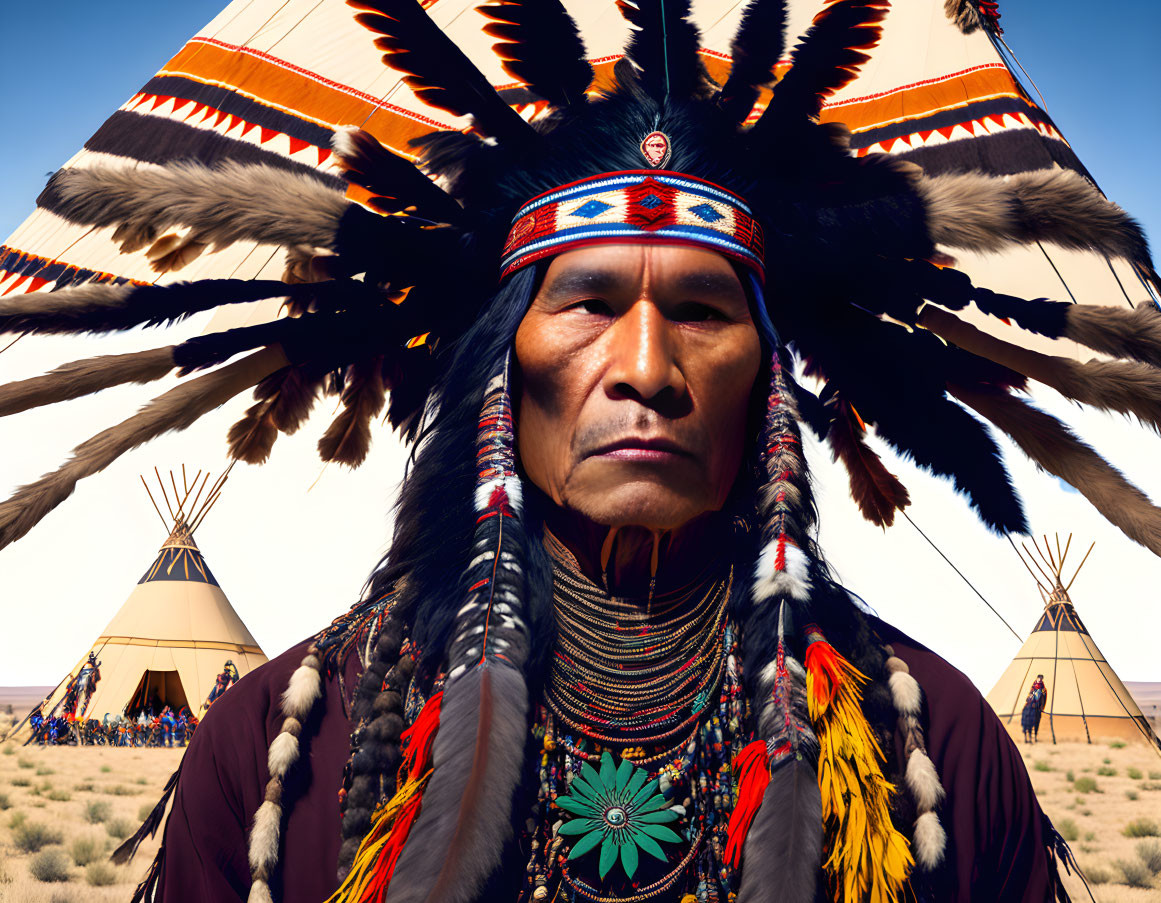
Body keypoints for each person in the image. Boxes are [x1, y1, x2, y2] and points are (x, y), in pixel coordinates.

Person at [6, 2, 1161, 902]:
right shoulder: (282, 750)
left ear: (766, 377)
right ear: (500, 366)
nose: (646, 367)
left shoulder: (931, 745)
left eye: (704, 313)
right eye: (588, 304)